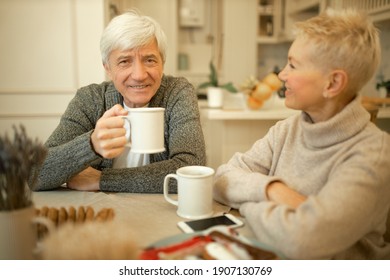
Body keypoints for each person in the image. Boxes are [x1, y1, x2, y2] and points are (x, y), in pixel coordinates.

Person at [213, 9, 390, 259]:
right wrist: (273, 191)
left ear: (333, 84)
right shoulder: (286, 130)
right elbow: (222, 179)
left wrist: (247, 203)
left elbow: (302, 240)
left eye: (293, 65)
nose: (281, 74)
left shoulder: (375, 155)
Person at [33, 10, 206, 193]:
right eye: (124, 61)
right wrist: (90, 145)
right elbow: (35, 174)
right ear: (108, 68)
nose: (139, 75)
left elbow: (191, 170)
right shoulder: (90, 100)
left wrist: (102, 179)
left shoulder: (177, 92)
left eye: (149, 60)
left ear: (162, 63)